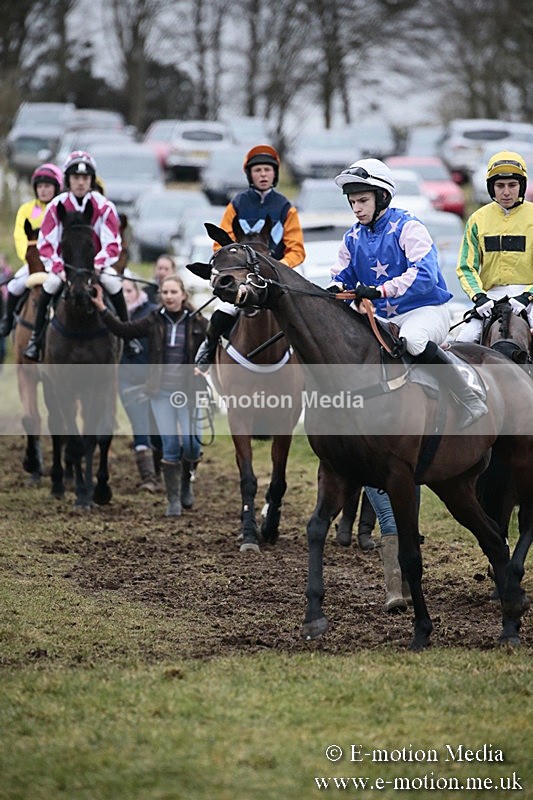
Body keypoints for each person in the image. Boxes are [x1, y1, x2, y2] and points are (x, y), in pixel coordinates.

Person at [329, 157, 487, 429]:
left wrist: (380, 290)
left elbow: (424, 275)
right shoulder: (352, 238)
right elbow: (340, 276)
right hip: (383, 319)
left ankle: (469, 398)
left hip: (424, 311)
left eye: (363, 201)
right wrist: (332, 289)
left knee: (412, 340)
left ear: (382, 197)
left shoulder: (408, 226)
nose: (356, 209)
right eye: (353, 202)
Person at [91, 274, 208, 517]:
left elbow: (215, 345)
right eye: (165, 293)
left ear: (183, 296)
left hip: (190, 392)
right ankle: (173, 499)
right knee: (171, 446)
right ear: (160, 297)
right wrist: (102, 308)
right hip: (161, 392)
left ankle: (187, 482)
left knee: (192, 445)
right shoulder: (154, 320)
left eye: (174, 292)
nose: (169, 296)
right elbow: (123, 330)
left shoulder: (198, 322)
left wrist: (204, 365)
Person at [195, 144, 306, 370]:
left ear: (274, 173)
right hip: (245, 277)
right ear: (249, 174)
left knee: (305, 316)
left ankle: (311, 364)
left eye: (267, 169)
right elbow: (221, 245)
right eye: (258, 170)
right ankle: (208, 347)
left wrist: (279, 269)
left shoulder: (286, 207)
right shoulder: (236, 205)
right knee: (222, 312)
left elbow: (297, 250)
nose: (263, 174)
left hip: (278, 274)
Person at [23, 150, 132, 361]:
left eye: (85, 178)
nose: (81, 183)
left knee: (113, 283)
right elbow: (46, 243)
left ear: (91, 180)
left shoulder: (105, 206)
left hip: (96, 265)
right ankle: (35, 340)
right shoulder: (56, 206)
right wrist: (59, 268)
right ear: (68, 180)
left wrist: (97, 265)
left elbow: (112, 244)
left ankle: (128, 339)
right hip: (66, 267)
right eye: (76, 178)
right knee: (50, 285)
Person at [455, 150, 533, 343]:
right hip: (491, 296)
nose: (506, 192)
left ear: (521, 186)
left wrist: (527, 297)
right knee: (464, 340)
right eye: (500, 185)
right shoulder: (477, 220)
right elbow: (466, 267)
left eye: (512, 185)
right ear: (491, 187)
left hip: (529, 296)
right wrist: (478, 297)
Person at [0, 163, 63, 337]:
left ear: (56, 188)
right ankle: (8, 321)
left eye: (47, 186)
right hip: (34, 262)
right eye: (40, 186)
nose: (43, 190)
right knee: (14, 285)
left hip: (57, 263)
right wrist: (28, 258)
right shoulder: (26, 210)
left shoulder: (61, 208)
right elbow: (20, 236)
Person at [118, 278, 159, 492]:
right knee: (140, 424)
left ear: (137, 292)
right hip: (127, 380)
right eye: (121, 291)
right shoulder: (116, 316)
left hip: (154, 379)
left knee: (158, 427)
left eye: (128, 290)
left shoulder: (152, 312)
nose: (125, 295)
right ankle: (148, 477)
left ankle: (162, 469)